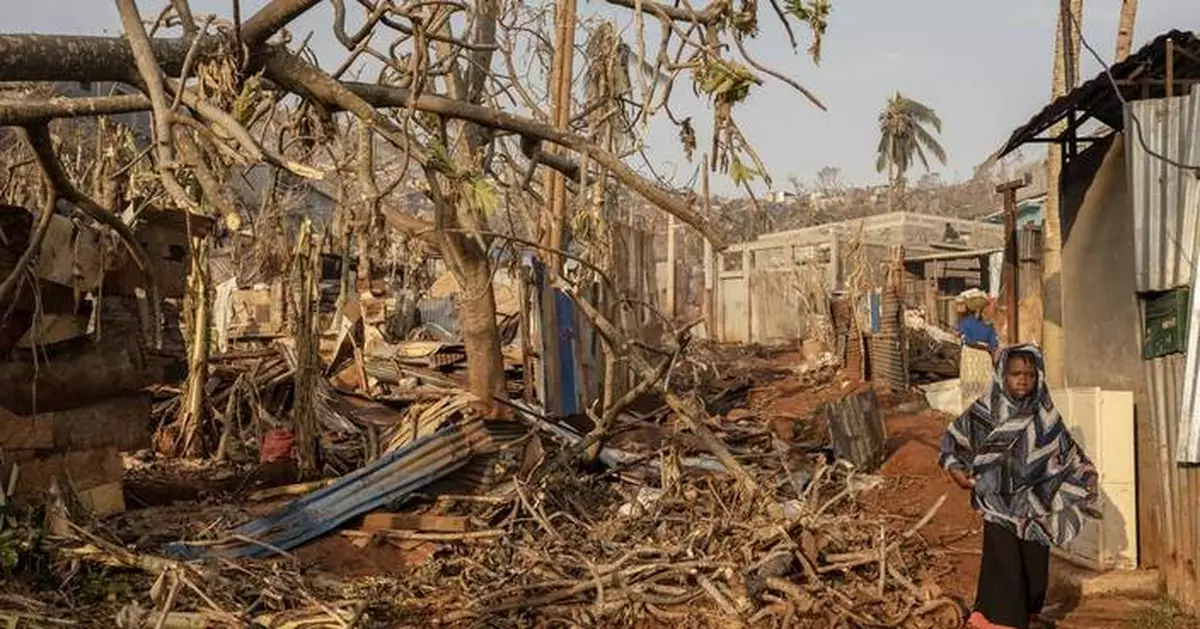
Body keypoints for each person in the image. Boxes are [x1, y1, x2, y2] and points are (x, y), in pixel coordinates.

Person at [939, 345, 1101, 629]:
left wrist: (1082, 479)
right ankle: (1000, 620)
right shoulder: (984, 411)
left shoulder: (1047, 416)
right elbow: (953, 442)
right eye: (1015, 374)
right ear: (1003, 375)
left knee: (1033, 566)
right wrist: (956, 470)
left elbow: (1067, 456)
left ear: (1039, 376)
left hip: (1035, 505)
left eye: (1029, 374)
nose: (1023, 380)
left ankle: (1016, 614)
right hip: (996, 502)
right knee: (1005, 564)